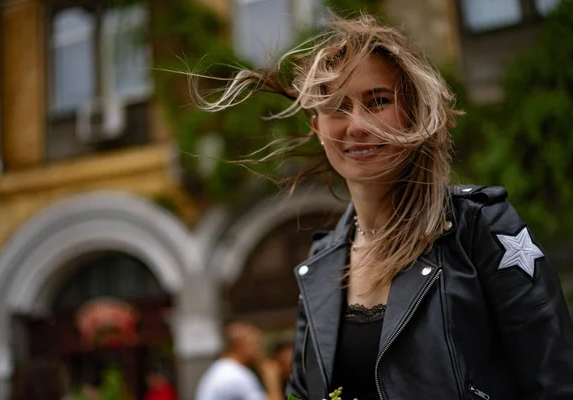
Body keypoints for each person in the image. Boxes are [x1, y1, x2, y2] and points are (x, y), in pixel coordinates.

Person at [189, 11, 573, 400]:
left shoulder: (480, 227)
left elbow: (556, 382)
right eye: (336, 107)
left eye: (377, 101)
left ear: (411, 111)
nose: (357, 125)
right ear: (317, 129)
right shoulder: (320, 266)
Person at [195, 321, 283, 400]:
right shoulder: (236, 375)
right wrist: (272, 379)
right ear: (240, 346)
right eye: (255, 344)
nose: (260, 350)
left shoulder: (223, 368)